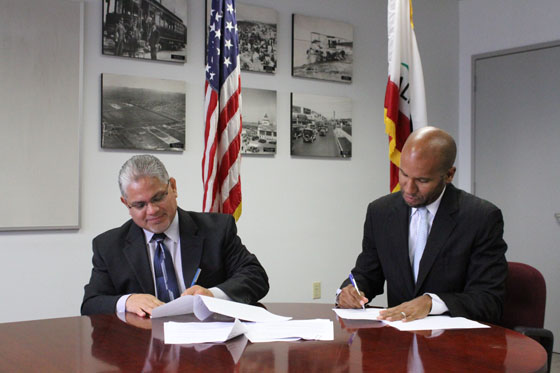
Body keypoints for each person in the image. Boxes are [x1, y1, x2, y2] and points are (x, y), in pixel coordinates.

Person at [337, 126, 507, 324]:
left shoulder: (481, 217)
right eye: (404, 174)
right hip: (398, 341)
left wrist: (432, 303)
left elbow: (489, 300)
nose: (409, 188)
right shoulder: (380, 212)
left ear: (449, 175)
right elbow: (368, 273)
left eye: (422, 180)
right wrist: (350, 291)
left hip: (454, 342)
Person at [81, 155, 269, 316]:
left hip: (208, 346)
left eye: (158, 198)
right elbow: (91, 304)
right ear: (126, 204)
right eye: (140, 205)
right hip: (141, 349)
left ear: (173, 187)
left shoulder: (217, 229)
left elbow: (256, 277)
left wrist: (212, 295)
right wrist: (127, 301)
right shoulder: (108, 246)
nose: (152, 210)